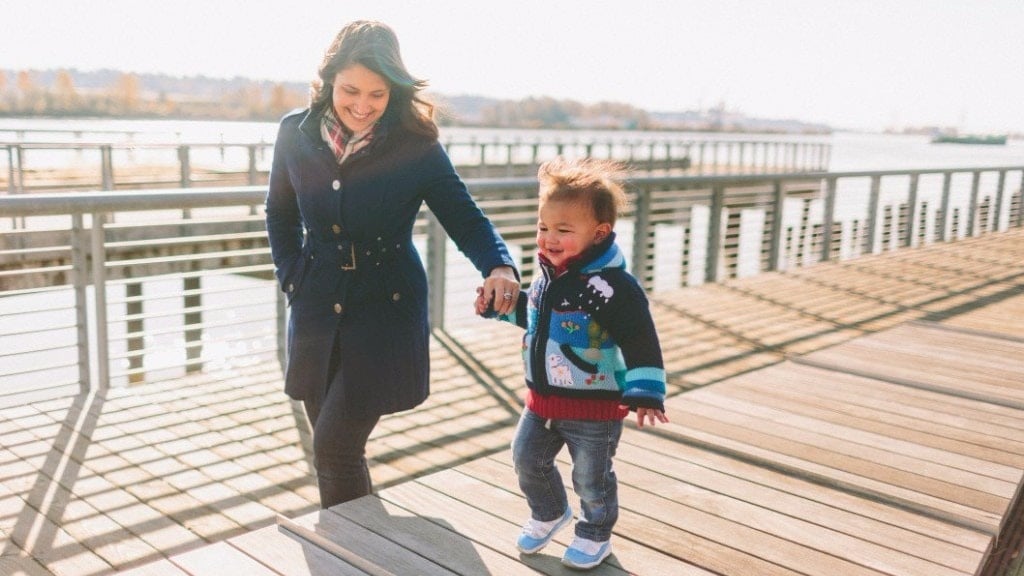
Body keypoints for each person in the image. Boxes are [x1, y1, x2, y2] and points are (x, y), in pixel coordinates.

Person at [265, 20, 520, 509]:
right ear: (328, 80)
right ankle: (364, 546)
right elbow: (278, 211)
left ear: (394, 92)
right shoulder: (293, 133)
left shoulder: (414, 145)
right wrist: (290, 276)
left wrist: (499, 265)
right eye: (351, 90)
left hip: (387, 308)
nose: (362, 105)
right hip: (316, 304)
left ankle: (351, 554)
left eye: (377, 94)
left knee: (334, 447)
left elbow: (463, 215)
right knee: (338, 450)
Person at [475, 157, 669, 570]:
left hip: (594, 409)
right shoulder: (549, 274)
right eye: (544, 227)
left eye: (564, 230)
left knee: (591, 479)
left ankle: (595, 533)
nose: (549, 238)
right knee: (526, 458)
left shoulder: (613, 287)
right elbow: (537, 318)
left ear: (599, 233)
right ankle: (549, 512)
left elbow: (640, 339)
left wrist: (647, 389)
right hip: (542, 401)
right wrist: (500, 308)